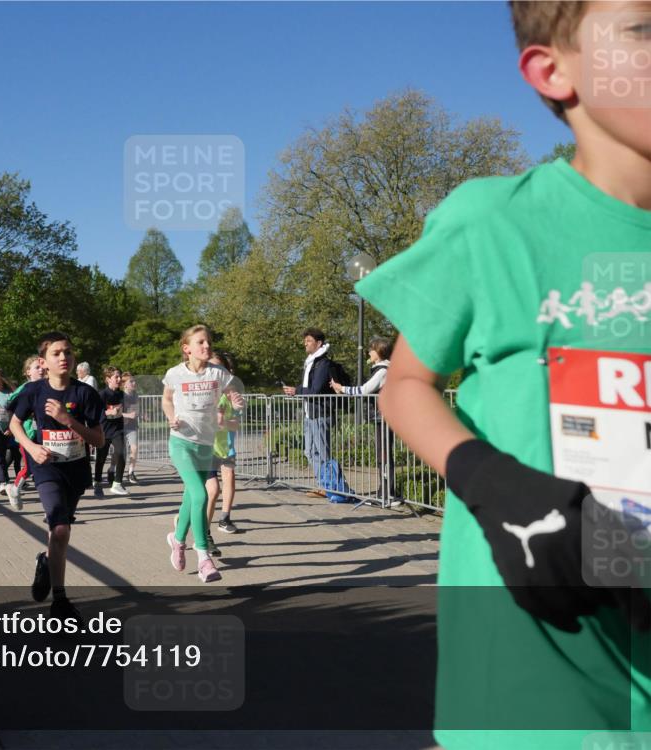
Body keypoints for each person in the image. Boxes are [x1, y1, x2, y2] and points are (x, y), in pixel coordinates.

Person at [357, 4, 651, 747]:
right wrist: (497, 486)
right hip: (537, 671)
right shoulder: (493, 222)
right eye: (645, 29)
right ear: (552, 70)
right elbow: (406, 382)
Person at [10, 331, 104, 621]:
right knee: (60, 528)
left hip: (75, 469)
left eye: (68, 352)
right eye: (56, 353)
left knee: (59, 534)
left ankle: (46, 562)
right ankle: (60, 602)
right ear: (44, 361)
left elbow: (99, 440)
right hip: (46, 467)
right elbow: (14, 425)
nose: (64, 357)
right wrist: (31, 446)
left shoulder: (85, 393)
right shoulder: (33, 391)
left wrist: (68, 420)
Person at [163, 325, 244, 583]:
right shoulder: (175, 374)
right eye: (201, 342)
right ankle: (203, 558)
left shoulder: (218, 373)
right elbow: (166, 399)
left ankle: (176, 541)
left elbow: (233, 394)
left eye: (209, 341)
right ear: (187, 349)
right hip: (181, 444)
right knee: (201, 493)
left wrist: (236, 402)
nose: (207, 346)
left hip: (205, 446)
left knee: (190, 498)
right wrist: (171, 416)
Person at [331, 336, 397, 506]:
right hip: (381, 417)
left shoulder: (383, 370)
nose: (369, 351)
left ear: (380, 351)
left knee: (384, 455)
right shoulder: (381, 369)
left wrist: (342, 388)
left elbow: (364, 389)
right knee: (382, 454)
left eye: (372, 349)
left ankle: (388, 495)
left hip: (383, 417)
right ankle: (386, 492)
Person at [282, 328, 338, 495]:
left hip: (321, 413)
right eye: (305, 340)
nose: (304, 343)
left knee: (322, 452)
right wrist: (297, 390)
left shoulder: (323, 363)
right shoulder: (311, 362)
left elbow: (316, 389)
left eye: (308, 340)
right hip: (310, 413)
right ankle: (323, 484)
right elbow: (309, 388)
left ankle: (330, 487)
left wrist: (296, 391)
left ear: (319, 343)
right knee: (309, 451)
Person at [205, 352, 241, 552]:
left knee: (222, 484)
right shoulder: (201, 393)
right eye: (211, 367)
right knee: (208, 492)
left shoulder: (229, 394)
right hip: (202, 449)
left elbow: (235, 425)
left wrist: (232, 413)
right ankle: (188, 527)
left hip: (225, 447)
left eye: (219, 368)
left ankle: (223, 519)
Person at [6, 355, 46, 510]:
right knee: (31, 466)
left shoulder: (48, 386)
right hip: (27, 434)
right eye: (37, 367)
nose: (41, 370)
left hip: (44, 434)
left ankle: (49, 506)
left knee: (45, 467)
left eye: (42, 367)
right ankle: (14, 489)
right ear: (28, 372)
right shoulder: (24, 389)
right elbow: (9, 406)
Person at [93, 366, 129, 497]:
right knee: (101, 458)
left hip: (117, 429)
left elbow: (125, 409)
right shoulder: (102, 394)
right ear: (108, 379)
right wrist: (108, 412)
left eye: (120, 376)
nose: (119, 379)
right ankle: (97, 482)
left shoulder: (121, 394)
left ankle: (117, 484)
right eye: (116, 377)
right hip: (104, 430)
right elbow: (96, 413)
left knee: (121, 453)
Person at [121, 372, 140, 484]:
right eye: (131, 381)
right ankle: (113, 470)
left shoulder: (135, 395)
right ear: (125, 385)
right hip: (120, 426)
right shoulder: (120, 395)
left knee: (134, 449)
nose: (134, 383)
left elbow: (135, 409)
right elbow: (116, 412)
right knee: (120, 453)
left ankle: (131, 473)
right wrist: (127, 415)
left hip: (132, 426)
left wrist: (142, 414)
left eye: (134, 381)